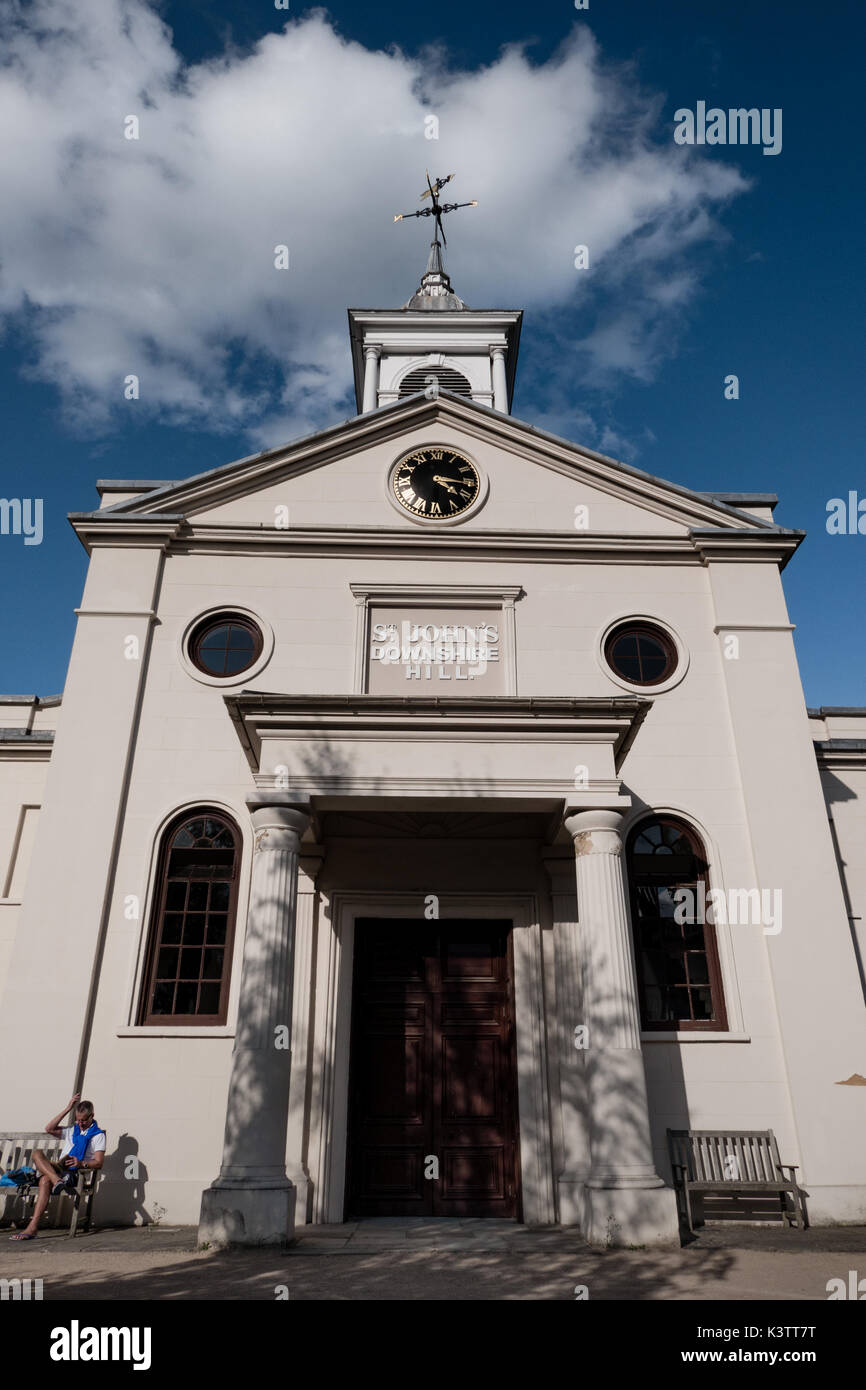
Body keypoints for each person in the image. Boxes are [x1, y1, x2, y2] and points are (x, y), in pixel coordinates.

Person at [8, 1093, 105, 1241]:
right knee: (37, 1153)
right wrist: (68, 1108)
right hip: (59, 1169)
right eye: (77, 1120)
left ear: (92, 1116)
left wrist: (82, 1164)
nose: (80, 1123)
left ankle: (32, 1227)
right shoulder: (72, 1130)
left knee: (45, 1180)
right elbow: (49, 1128)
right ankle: (56, 1180)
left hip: (74, 1172)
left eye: (84, 1120)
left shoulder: (98, 1136)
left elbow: (98, 1162)